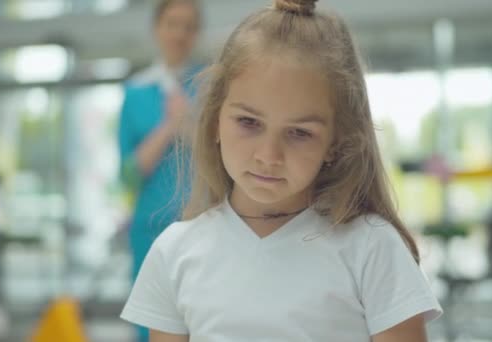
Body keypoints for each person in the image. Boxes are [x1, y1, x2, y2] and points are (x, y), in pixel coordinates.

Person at [121, 0, 442, 341]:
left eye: (300, 133)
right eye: (248, 122)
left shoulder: (373, 249)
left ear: (335, 142)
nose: (268, 156)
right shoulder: (173, 254)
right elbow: (126, 173)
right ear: (214, 121)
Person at [117, 1, 202, 341]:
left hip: (200, 224)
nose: (179, 33)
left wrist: (190, 126)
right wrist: (170, 126)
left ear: (196, 34)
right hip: (149, 230)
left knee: (201, 319)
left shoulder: (210, 88)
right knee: (151, 323)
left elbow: (224, 160)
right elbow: (127, 175)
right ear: (157, 29)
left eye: (188, 26)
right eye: (172, 24)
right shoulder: (135, 93)